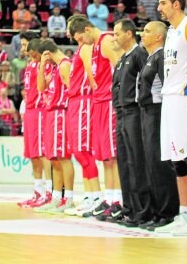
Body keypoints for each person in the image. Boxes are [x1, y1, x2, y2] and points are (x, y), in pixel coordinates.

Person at [154, 0, 187, 236]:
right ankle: (184, 213)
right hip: (171, 97)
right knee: (177, 160)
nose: (159, 8)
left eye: (163, 3)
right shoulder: (172, 31)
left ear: (176, 4)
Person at [67, 15, 124, 220]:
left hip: (109, 101)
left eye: (80, 38)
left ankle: (118, 201)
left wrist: (115, 95)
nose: (81, 44)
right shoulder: (96, 45)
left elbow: (121, 67)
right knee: (106, 157)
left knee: (112, 156)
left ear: (87, 30)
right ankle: (109, 200)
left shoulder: (106, 41)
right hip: (99, 101)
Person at [136, 21, 180, 231]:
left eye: (147, 31)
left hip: (157, 112)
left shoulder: (161, 57)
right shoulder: (150, 58)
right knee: (150, 163)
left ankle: (167, 212)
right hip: (146, 113)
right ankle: (156, 210)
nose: (142, 34)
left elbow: (166, 86)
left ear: (158, 37)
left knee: (159, 163)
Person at [110, 19, 151, 226]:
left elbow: (146, 83)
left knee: (136, 162)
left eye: (117, 34)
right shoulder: (122, 59)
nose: (114, 38)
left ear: (128, 34)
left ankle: (142, 211)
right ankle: (129, 208)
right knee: (124, 163)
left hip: (134, 113)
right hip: (121, 113)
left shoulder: (139, 54)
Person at [62, 18, 102, 217]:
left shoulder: (86, 48)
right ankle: (89, 196)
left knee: (83, 151)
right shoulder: (81, 48)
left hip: (84, 100)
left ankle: (96, 197)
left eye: (75, 35)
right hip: (76, 101)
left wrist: (96, 88)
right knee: (79, 152)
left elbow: (90, 72)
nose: (75, 39)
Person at [33, 40, 75, 213]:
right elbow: (40, 87)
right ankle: (57, 197)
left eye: (43, 58)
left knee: (64, 157)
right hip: (52, 113)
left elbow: (72, 90)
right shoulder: (55, 67)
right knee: (55, 159)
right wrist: (42, 66)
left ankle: (69, 198)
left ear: (48, 53)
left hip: (61, 113)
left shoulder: (65, 65)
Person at [17, 35, 53, 208]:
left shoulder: (45, 65)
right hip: (30, 111)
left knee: (42, 153)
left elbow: (45, 87)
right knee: (33, 154)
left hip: (40, 111)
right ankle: (37, 191)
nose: (31, 57)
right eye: (29, 54)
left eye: (34, 55)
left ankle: (49, 192)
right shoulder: (29, 65)